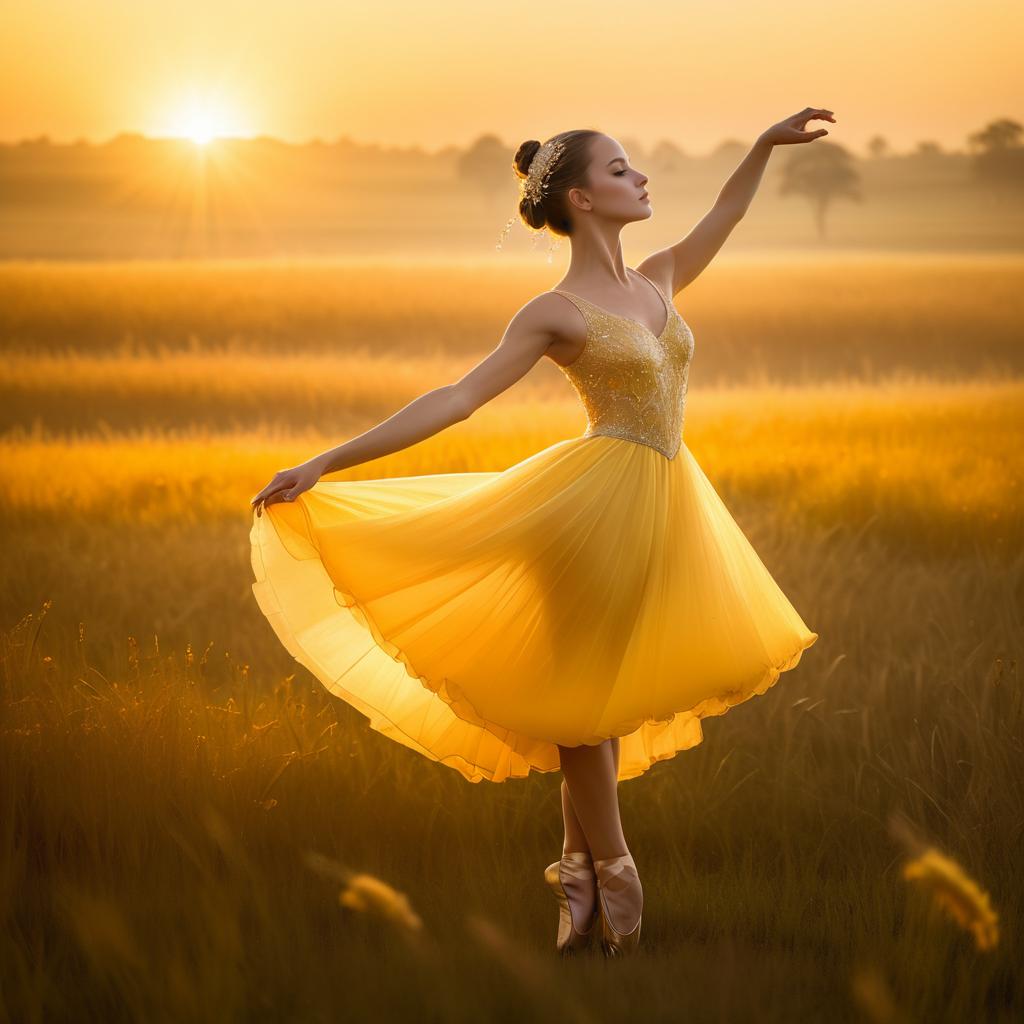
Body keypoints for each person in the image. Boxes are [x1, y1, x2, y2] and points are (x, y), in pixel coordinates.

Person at [249, 109, 834, 957]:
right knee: (585, 712)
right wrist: (327, 462)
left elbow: (727, 215)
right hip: (591, 511)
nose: (641, 179)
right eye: (622, 169)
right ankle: (620, 878)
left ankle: (577, 880)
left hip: (665, 503)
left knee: (590, 704)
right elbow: (459, 396)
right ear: (581, 199)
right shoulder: (556, 311)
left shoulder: (661, 279)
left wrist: (762, 147)